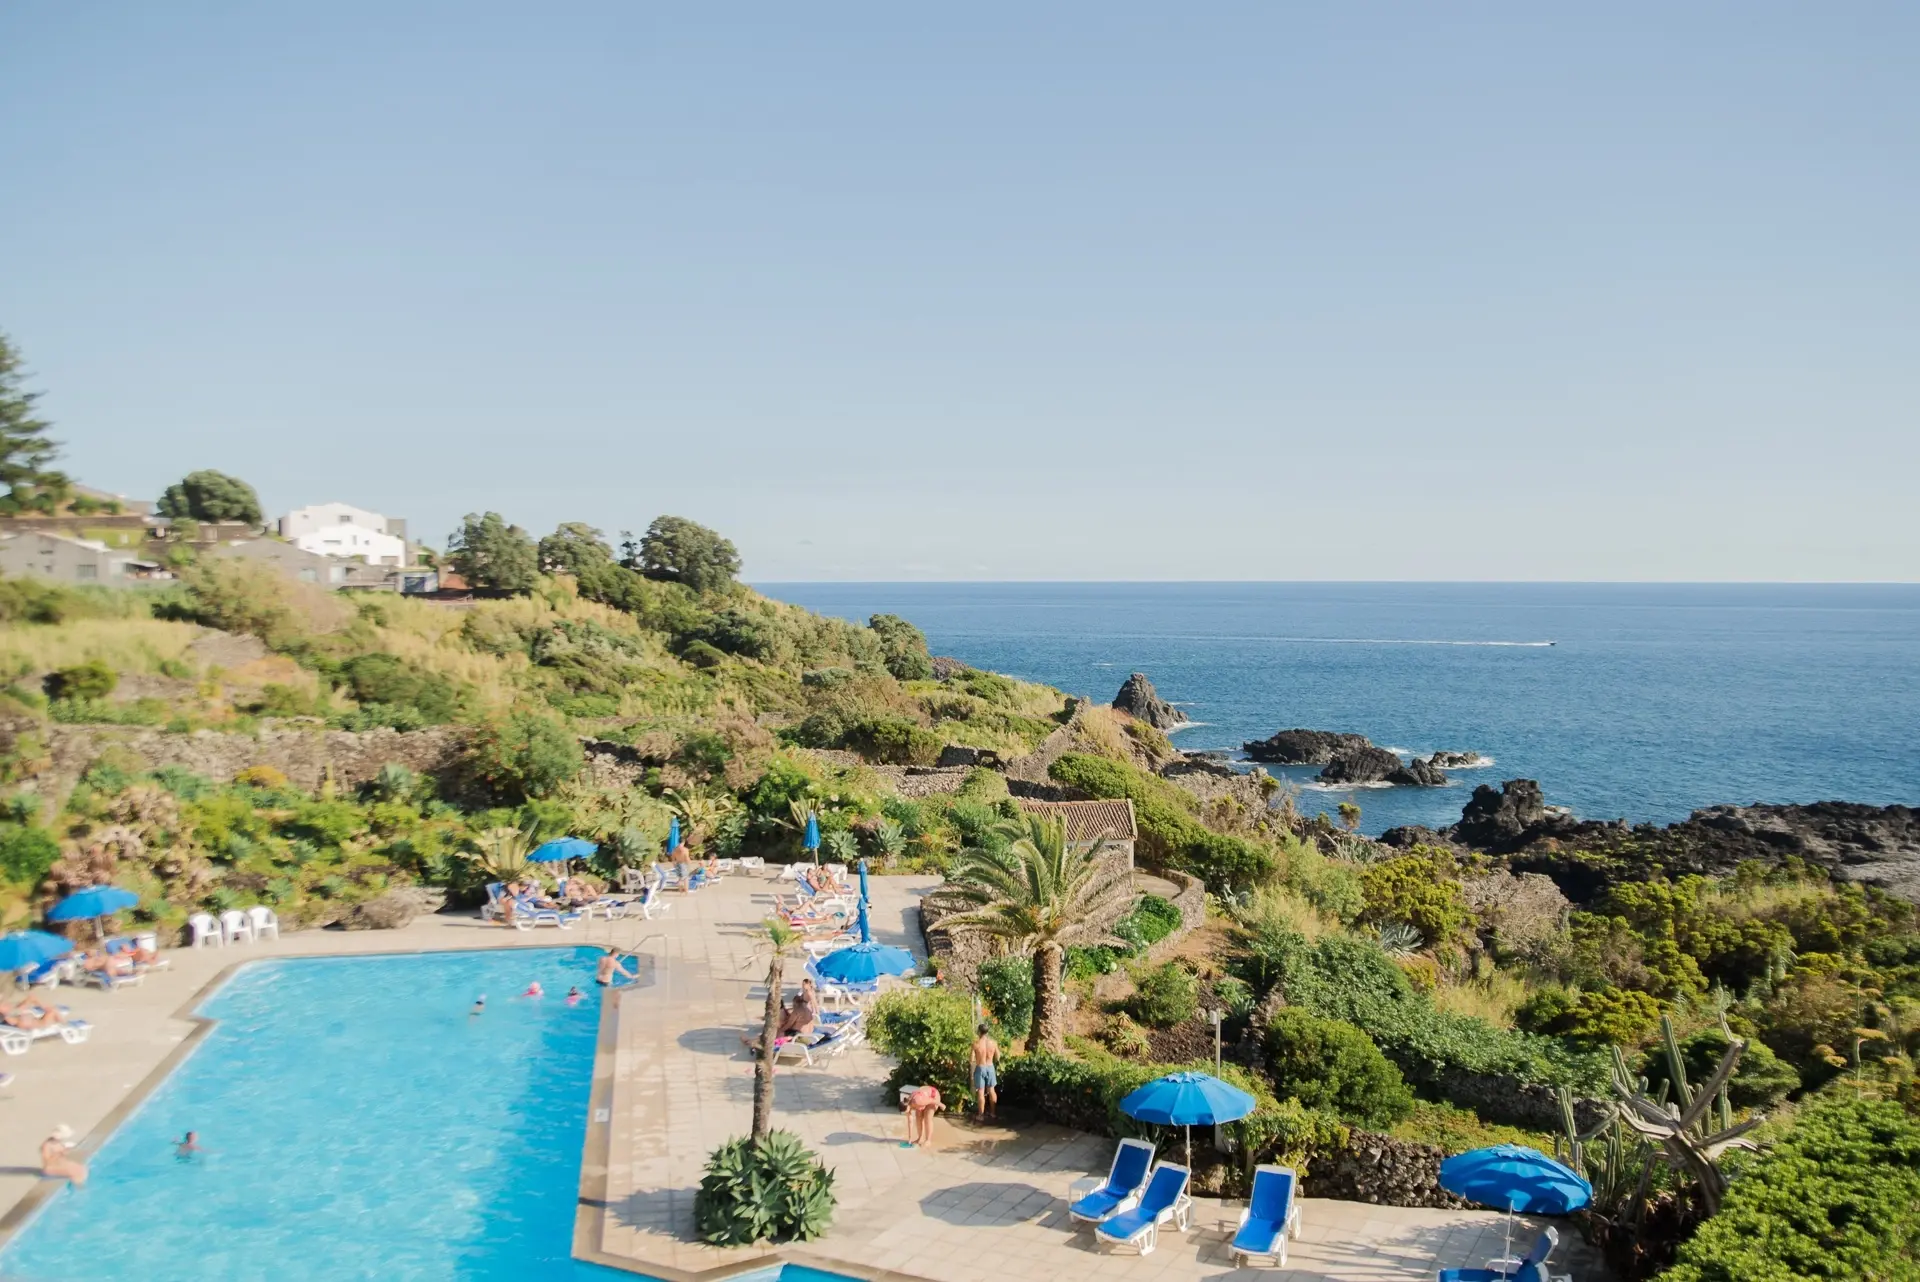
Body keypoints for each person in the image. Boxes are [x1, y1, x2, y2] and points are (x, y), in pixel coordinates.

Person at [971, 1024, 1000, 1122]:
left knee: (980, 1091)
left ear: (979, 1031)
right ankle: (993, 1113)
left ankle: (981, 1115)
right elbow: (998, 1057)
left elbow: (971, 1059)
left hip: (980, 1067)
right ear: (987, 1032)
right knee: (991, 1090)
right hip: (990, 1067)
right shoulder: (993, 1043)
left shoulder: (976, 1044)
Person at [904, 1083, 943, 1148]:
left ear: (908, 1106)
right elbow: (910, 1122)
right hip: (924, 1096)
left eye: (907, 1111)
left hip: (933, 1096)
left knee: (927, 1118)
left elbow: (931, 1100)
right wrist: (910, 1139)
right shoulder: (907, 1105)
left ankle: (928, 1140)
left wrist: (941, 1105)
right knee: (918, 1117)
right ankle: (920, 1138)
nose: (908, 1113)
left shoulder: (917, 1101)